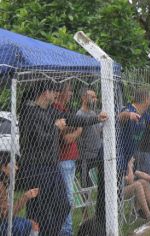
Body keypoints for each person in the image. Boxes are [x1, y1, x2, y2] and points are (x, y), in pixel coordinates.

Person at [18, 80, 108, 235]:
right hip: (37, 168)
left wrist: (96, 118)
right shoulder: (30, 112)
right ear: (46, 92)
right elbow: (39, 141)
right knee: (40, 208)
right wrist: (56, 128)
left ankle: (48, 232)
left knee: (63, 205)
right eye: (54, 91)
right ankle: (39, 232)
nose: (56, 94)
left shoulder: (49, 111)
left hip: (51, 166)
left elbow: (73, 119)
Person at [52, 83, 82, 236]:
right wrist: (77, 130)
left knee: (68, 196)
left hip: (70, 158)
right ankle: (66, 231)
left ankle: (65, 229)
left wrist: (74, 129)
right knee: (67, 197)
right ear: (61, 92)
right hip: (63, 159)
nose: (71, 93)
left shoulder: (66, 110)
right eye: (68, 90)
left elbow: (71, 130)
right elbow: (66, 139)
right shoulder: (56, 109)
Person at [0, 151, 39, 236]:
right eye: (13, 164)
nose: (17, 168)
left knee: (33, 224)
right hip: (2, 222)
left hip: (3, 219)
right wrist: (26, 197)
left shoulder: (5, 181)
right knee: (29, 226)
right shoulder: (1, 186)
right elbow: (6, 214)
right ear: (3, 167)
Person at [76, 87, 103, 187]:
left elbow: (98, 130)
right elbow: (79, 136)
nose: (95, 100)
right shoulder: (79, 114)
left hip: (97, 153)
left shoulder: (93, 113)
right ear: (84, 98)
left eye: (96, 97)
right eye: (92, 97)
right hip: (86, 156)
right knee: (86, 183)